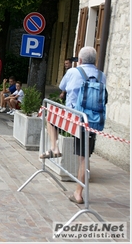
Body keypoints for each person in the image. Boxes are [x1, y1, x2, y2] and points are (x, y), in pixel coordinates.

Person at [54, 46, 106, 205]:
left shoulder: (72, 72)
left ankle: (54, 147)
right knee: (85, 157)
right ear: (95, 61)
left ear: (80, 60)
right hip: (93, 120)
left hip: (74, 119)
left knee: (50, 116)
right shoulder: (101, 75)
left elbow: (61, 87)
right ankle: (80, 189)